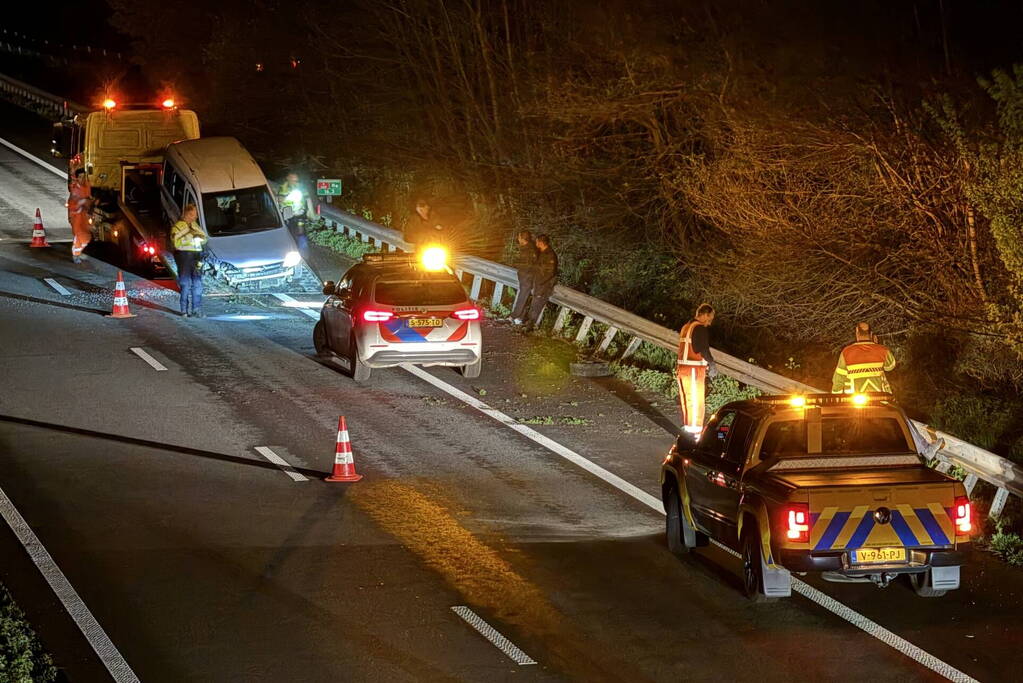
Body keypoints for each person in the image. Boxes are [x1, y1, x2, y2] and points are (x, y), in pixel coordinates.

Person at [677, 303, 718, 435]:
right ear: (705, 314)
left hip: (683, 369)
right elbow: (702, 349)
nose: (709, 323)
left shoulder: (686, 327)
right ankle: (695, 435)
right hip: (693, 370)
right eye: (710, 319)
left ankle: (688, 429)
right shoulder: (699, 328)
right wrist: (712, 364)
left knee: (687, 401)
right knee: (695, 401)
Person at [831, 322, 896, 393]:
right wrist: (877, 346)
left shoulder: (847, 352)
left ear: (857, 334)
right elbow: (890, 366)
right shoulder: (882, 350)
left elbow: (838, 379)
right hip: (881, 399)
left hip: (852, 399)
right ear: (871, 334)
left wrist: (836, 396)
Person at [171, 204, 208, 317]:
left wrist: (195, 234)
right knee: (185, 284)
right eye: (192, 214)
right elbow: (176, 242)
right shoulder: (177, 227)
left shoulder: (195, 225)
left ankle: (196, 309)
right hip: (183, 257)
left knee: (197, 284)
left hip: (196, 257)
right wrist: (188, 232)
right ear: (186, 214)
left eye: (195, 215)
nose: (194, 217)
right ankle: (184, 310)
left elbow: (204, 238)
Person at [523, 234, 558, 331]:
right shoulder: (542, 252)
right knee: (534, 303)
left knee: (537, 305)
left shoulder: (550, 255)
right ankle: (527, 324)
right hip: (538, 283)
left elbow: (550, 273)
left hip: (544, 285)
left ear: (541, 242)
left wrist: (540, 283)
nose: (536, 243)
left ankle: (529, 327)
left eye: (537, 241)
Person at [510, 230, 537, 324]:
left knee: (523, 297)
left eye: (519, 237)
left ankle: (516, 316)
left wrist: (523, 273)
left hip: (527, 277)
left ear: (522, 238)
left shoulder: (529, 249)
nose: (518, 239)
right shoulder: (528, 248)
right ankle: (519, 318)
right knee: (524, 297)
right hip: (526, 277)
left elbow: (529, 265)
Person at [67, 169, 93, 264]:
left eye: (83, 176)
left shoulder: (86, 186)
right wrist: (80, 203)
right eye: (80, 177)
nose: (82, 179)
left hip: (84, 215)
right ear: (77, 178)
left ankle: (78, 252)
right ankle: (76, 254)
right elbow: (72, 204)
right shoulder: (75, 188)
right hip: (77, 216)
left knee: (86, 236)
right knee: (79, 235)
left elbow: (89, 198)